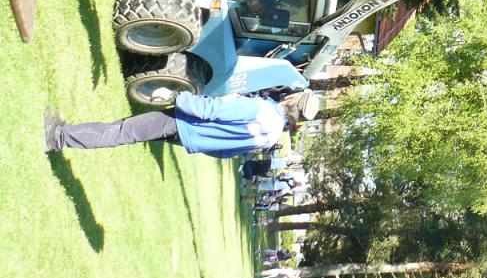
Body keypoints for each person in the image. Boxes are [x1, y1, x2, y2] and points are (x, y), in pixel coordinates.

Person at [44, 89, 320, 155]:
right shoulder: (271, 136)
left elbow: (211, 109)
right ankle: (67, 133)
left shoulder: (261, 109)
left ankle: (59, 137)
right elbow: (226, 153)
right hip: (189, 139)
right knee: (126, 129)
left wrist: (175, 96)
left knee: (122, 131)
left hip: (183, 121)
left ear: (293, 99)